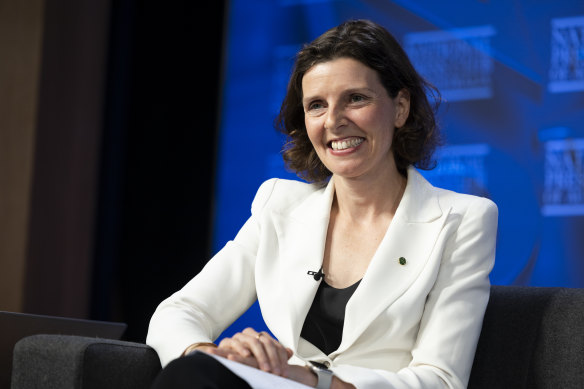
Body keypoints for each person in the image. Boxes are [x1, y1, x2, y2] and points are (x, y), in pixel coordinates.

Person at [146, 19, 498, 389]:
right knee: (195, 371)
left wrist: (315, 379)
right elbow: (178, 312)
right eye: (316, 105)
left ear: (400, 107)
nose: (333, 121)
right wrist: (214, 354)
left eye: (356, 98)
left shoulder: (462, 220)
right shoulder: (279, 205)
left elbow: (440, 380)